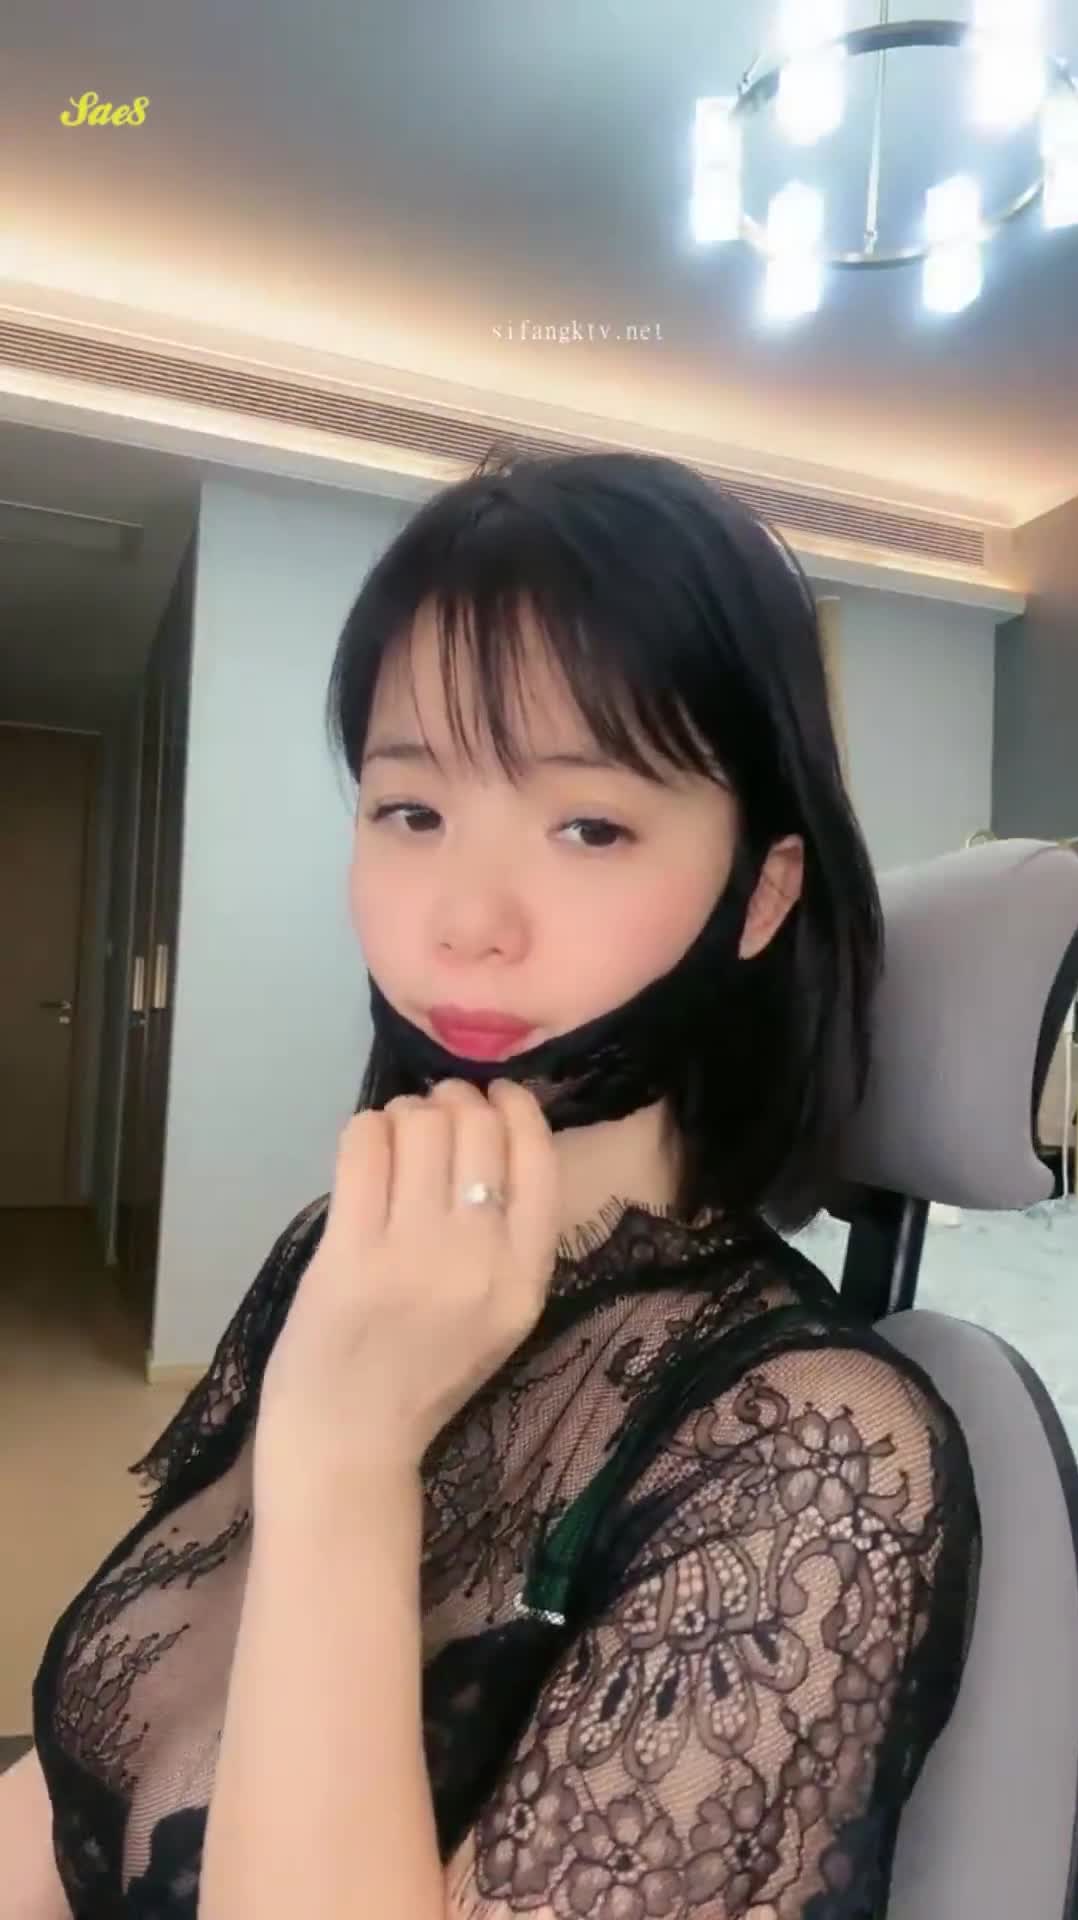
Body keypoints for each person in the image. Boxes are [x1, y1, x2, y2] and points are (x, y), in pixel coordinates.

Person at [3, 450, 980, 1920]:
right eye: (411, 811)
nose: (464, 922)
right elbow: (94, 1773)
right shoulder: (340, 1248)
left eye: (590, 826)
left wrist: (344, 1455)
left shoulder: (815, 1459)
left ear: (761, 894)